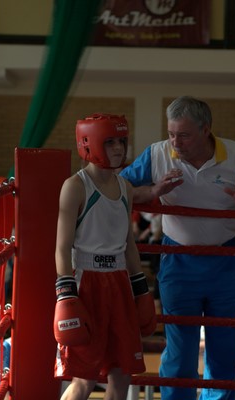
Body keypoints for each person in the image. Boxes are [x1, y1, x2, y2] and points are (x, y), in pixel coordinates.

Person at [121, 96, 235, 400]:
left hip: (228, 260)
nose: (175, 142)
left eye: (183, 135)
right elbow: (116, 189)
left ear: (206, 129)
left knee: (225, 350)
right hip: (179, 260)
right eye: (171, 133)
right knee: (179, 351)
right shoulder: (157, 154)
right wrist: (153, 191)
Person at [53, 113, 156, 400]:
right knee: (84, 377)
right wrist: (66, 295)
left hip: (120, 282)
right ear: (90, 143)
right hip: (86, 282)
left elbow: (129, 244)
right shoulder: (75, 186)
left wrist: (140, 288)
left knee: (122, 374)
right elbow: (62, 246)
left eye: (121, 141)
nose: (119, 148)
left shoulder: (126, 188)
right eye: (110, 142)